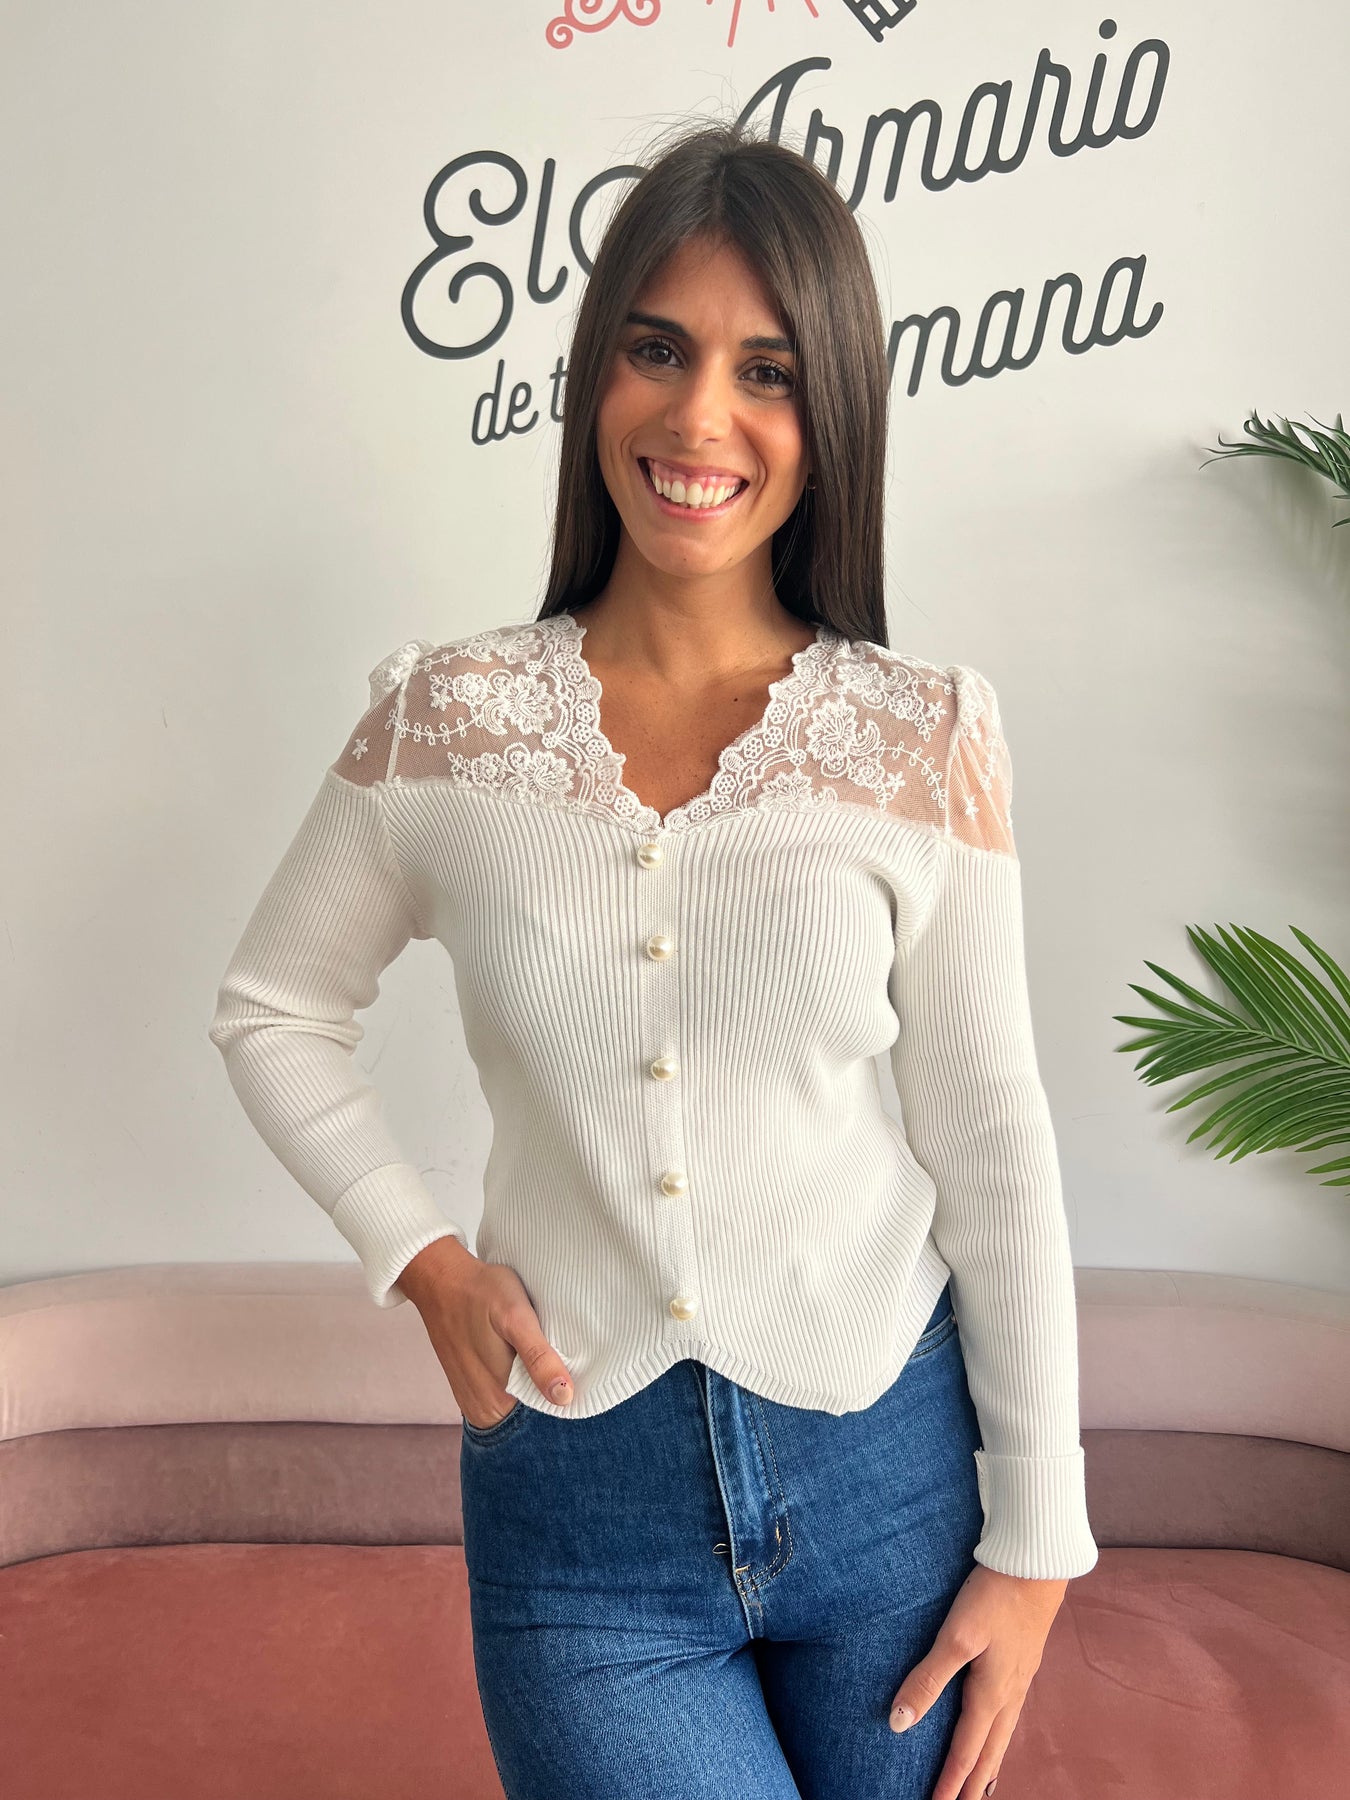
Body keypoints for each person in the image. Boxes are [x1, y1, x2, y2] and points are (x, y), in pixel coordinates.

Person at [209, 117, 1098, 1800]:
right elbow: (273, 1009)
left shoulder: (919, 737)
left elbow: (990, 1139)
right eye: (657, 351)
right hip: (580, 1525)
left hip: (892, 1487)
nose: (699, 419)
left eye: (767, 372)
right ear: (594, 378)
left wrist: (1036, 1541)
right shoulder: (449, 723)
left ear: (832, 414)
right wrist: (419, 1257)